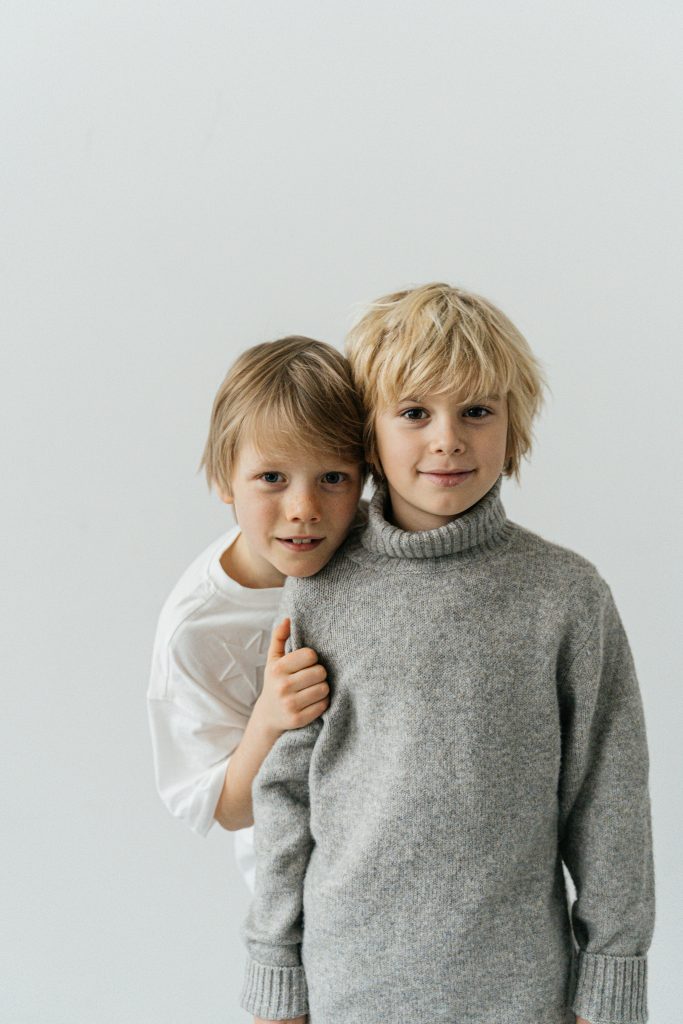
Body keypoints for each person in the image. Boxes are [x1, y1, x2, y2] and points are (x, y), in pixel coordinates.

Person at [240, 284, 655, 1024]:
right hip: (350, 986)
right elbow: (285, 793)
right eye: (413, 412)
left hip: (521, 991)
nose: (447, 438)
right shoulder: (320, 590)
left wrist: (610, 980)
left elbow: (607, 796)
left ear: (513, 424)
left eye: (476, 411)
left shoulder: (564, 594)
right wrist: (276, 970)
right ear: (368, 433)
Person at [146, 336, 367, 891]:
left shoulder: (375, 547)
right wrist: (269, 718)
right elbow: (223, 808)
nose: (304, 510)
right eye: (272, 478)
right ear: (224, 478)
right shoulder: (196, 628)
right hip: (305, 893)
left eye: (333, 478)